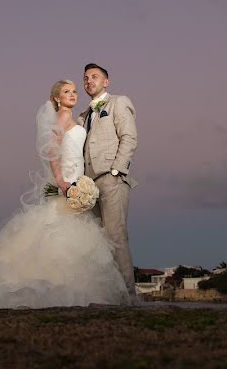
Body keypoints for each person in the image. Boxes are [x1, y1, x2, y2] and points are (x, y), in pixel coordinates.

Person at [0, 80, 130, 309]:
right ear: (56, 98)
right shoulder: (58, 121)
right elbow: (52, 153)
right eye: (66, 92)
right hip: (66, 184)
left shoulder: (77, 120)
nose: (73, 94)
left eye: (75, 91)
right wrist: (60, 181)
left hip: (78, 183)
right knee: (61, 238)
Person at [77, 63, 138, 295]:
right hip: (89, 187)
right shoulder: (83, 116)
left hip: (112, 180)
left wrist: (116, 171)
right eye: (85, 78)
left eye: (94, 76)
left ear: (106, 82)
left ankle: (128, 296)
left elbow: (129, 137)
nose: (89, 81)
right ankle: (109, 294)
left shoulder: (118, 102)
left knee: (116, 237)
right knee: (98, 242)